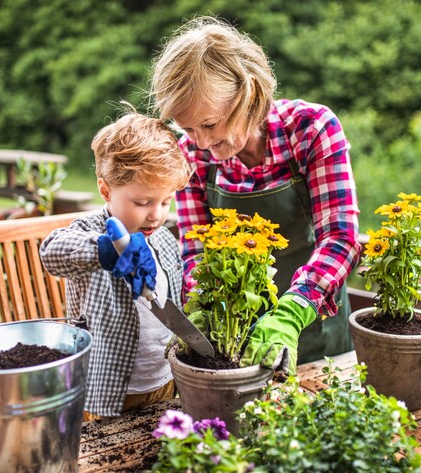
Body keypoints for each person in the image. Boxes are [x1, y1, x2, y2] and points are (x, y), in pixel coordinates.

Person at [149, 16, 361, 373]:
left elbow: (341, 237)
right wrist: (201, 309)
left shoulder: (311, 129)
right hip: (235, 341)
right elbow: (196, 249)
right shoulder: (193, 155)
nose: (200, 141)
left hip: (314, 330)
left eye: (209, 124)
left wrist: (291, 314)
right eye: (187, 128)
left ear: (247, 95)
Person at [39, 109, 192, 419]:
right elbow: (52, 252)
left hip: (164, 381)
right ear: (105, 190)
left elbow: (172, 300)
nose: (156, 214)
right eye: (143, 202)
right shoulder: (91, 230)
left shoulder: (161, 238)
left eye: (165, 201)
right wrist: (106, 250)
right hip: (106, 391)